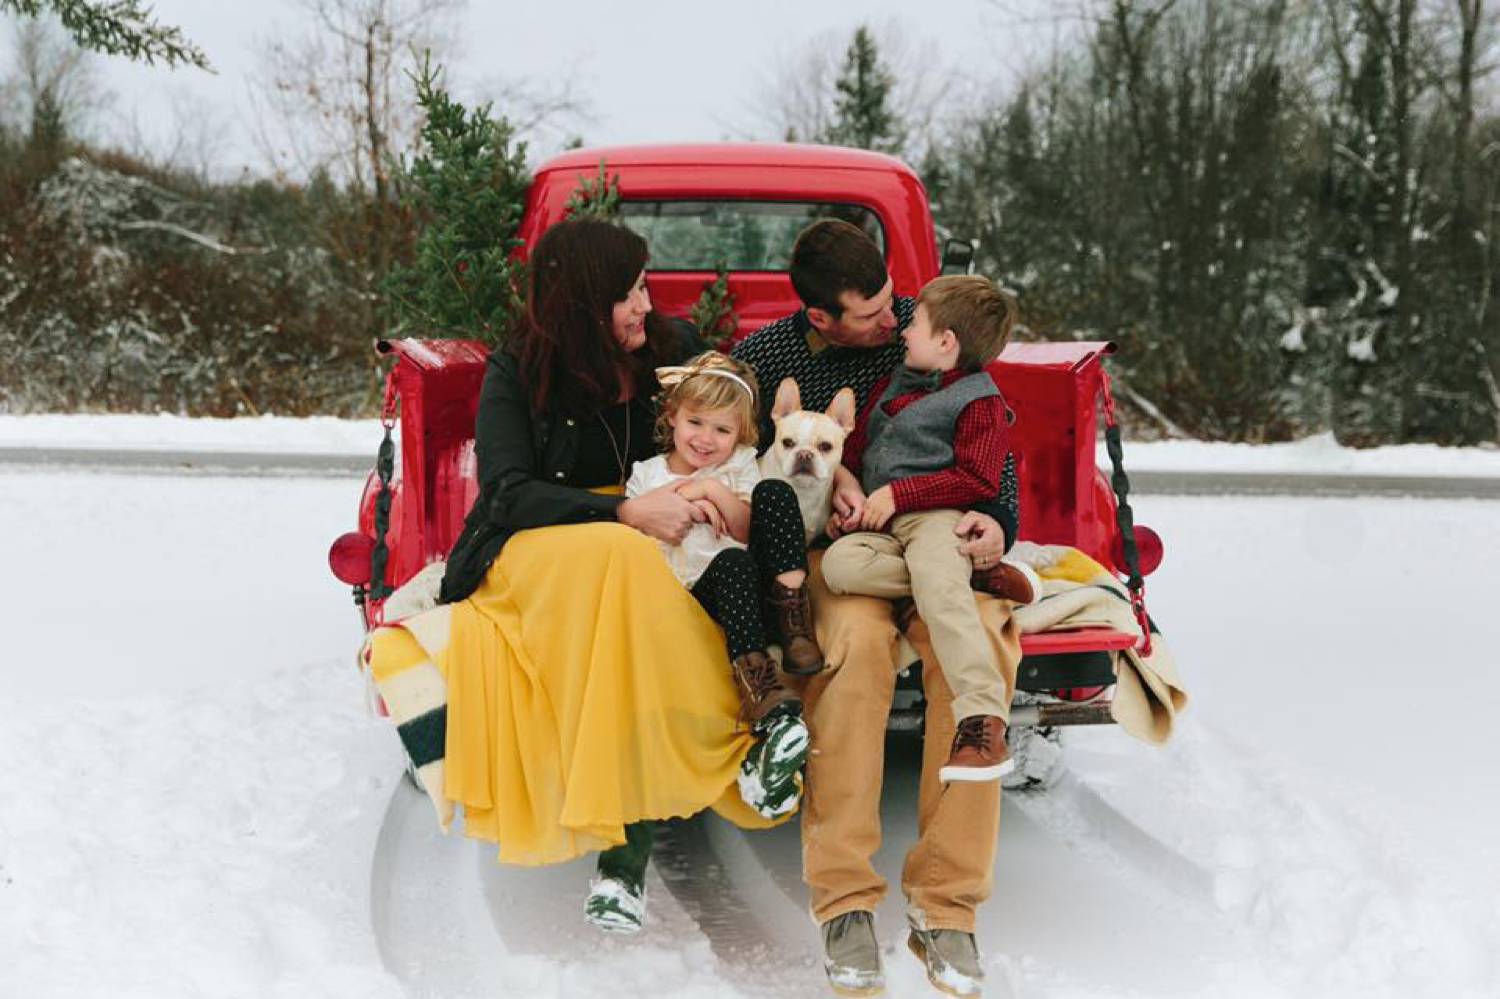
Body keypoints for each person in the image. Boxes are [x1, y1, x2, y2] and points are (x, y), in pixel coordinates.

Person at [368, 219, 787, 938]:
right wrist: (622, 509)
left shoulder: (671, 352)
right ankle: (637, 837)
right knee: (617, 558)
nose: (645, 306)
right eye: (628, 293)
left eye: (645, 287)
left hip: (649, 547)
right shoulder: (520, 369)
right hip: (542, 544)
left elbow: (745, 412)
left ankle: (639, 843)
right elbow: (505, 492)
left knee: (628, 576)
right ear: (586, 302)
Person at [731, 220, 1020, 997]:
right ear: (822, 317)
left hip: (944, 544)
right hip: (840, 556)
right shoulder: (766, 361)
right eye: (872, 313)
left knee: (978, 656)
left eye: (899, 303)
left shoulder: (931, 338)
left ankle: (948, 904)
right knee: (852, 656)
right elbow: (719, 447)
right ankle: (844, 902)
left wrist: (999, 524)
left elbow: (995, 459)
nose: (894, 322)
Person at [820, 275, 1040, 786]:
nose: (902, 331)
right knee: (839, 565)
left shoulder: (978, 401)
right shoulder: (896, 381)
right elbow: (860, 450)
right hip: (883, 525)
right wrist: (848, 497)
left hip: (939, 517)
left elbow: (978, 477)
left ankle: (981, 719)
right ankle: (970, 577)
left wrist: (900, 495)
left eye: (913, 324)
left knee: (938, 583)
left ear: (946, 342)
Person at [625, 351, 824, 819]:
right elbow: (640, 530)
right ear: (671, 416)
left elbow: (743, 529)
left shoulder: (736, 468)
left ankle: (792, 626)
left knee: (771, 502)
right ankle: (757, 681)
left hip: (748, 587)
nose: (707, 440)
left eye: (723, 430)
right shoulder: (646, 474)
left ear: (741, 436)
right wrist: (680, 497)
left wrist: (710, 490)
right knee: (730, 561)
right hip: (686, 595)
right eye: (696, 422)